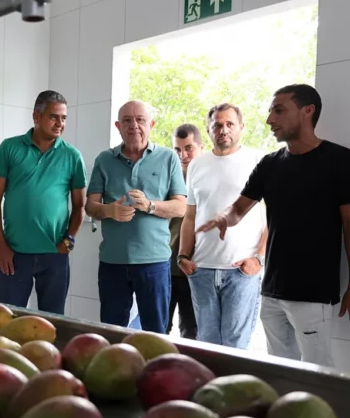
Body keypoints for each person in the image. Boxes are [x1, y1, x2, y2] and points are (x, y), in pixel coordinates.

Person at [197, 84, 350, 367]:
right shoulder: (270, 164)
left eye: (279, 110)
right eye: (270, 111)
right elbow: (239, 209)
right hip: (271, 292)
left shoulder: (339, 161)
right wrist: (223, 218)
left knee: (318, 373)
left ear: (307, 111)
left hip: (313, 294)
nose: (270, 119)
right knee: (279, 370)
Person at [85, 100, 187, 332]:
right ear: (118, 126)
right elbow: (90, 206)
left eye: (140, 120)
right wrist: (109, 210)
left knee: (156, 333)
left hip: (154, 263)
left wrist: (150, 205)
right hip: (113, 262)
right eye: (128, 121)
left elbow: (180, 208)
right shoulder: (104, 159)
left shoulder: (168, 158)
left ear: (151, 124)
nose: (134, 126)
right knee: (111, 332)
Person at [0, 90, 87, 314]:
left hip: (55, 255)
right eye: (54, 117)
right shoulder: (9, 148)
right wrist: (0, 245)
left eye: (63, 118)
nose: (60, 123)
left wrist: (69, 241)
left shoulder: (72, 156)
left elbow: (80, 206)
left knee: (53, 322)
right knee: (7, 320)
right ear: (36, 116)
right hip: (14, 254)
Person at [178, 104, 267, 348]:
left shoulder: (258, 161)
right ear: (208, 130)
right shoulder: (197, 165)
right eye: (217, 124)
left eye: (229, 124)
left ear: (241, 127)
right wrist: (183, 256)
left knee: (235, 346)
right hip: (201, 270)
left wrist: (258, 258)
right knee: (206, 345)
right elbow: (189, 216)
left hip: (241, 270)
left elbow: (274, 216)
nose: (223, 129)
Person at [168, 123, 203, 339]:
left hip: (196, 268)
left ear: (201, 147)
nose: (183, 155)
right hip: (166, 265)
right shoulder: (168, 177)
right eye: (178, 149)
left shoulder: (207, 178)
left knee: (191, 331)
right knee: (158, 327)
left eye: (189, 148)